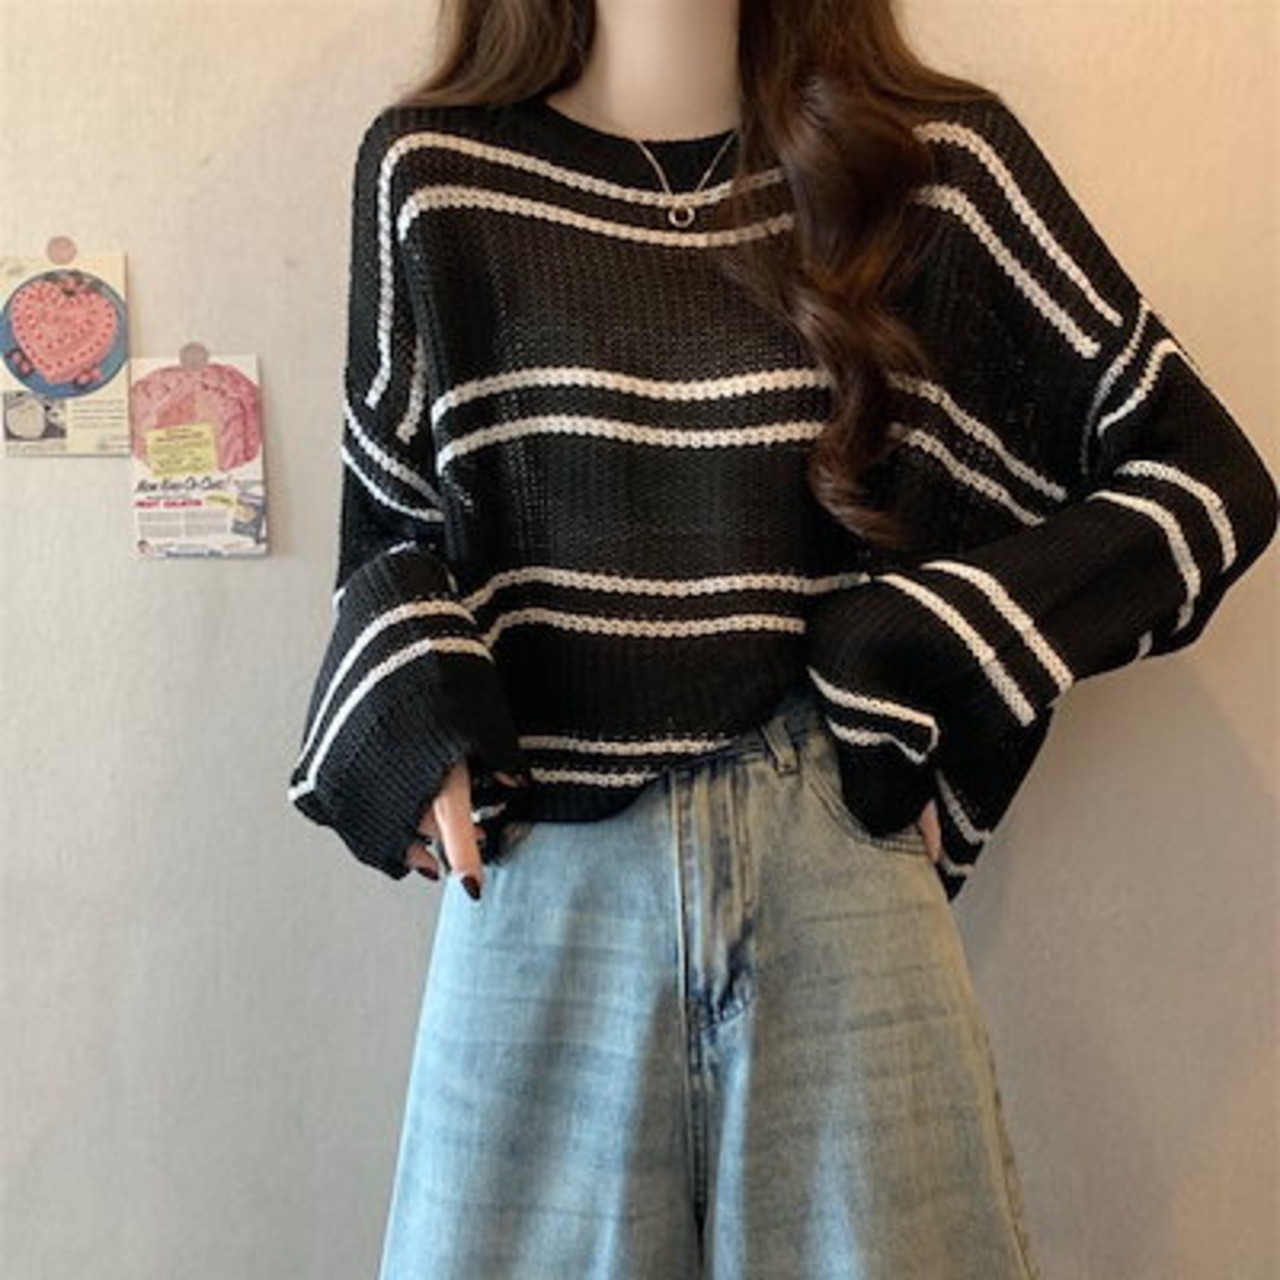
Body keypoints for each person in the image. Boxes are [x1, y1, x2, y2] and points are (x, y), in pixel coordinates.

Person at [286, 1, 1278, 1275]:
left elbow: (1202, 482)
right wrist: (418, 714)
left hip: (835, 856)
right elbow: (388, 535)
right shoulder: (433, 177)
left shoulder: (926, 168)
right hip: (543, 878)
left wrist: (915, 652)